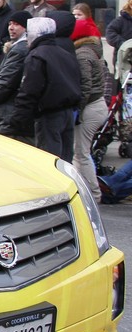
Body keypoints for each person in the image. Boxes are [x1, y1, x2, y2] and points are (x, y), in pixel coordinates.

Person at [7, 17, 81, 161]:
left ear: (35, 34)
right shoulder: (65, 54)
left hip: (49, 114)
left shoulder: (37, 56)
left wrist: (16, 122)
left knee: (49, 160)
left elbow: (29, 91)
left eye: (28, 34)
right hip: (68, 112)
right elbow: (78, 83)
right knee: (65, 160)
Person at [71, 18, 110, 201]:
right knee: (80, 152)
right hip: (97, 105)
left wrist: (77, 111)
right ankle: (86, 190)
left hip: (90, 108)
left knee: (81, 152)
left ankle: (94, 194)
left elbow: (85, 85)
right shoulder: (91, 51)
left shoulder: (82, 54)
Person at [0, 11, 34, 144]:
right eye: (10, 24)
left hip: (8, 114)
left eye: (16, 24)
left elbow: (4, 83)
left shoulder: (20, 50)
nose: (11, 27)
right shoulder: (18, 47)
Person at [105, 0, 132, 77]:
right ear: (130, 5)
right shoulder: (121, 20)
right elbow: (110, 33)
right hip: (125, 60)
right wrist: (124, 45)